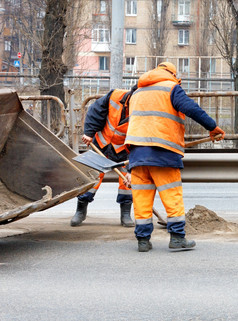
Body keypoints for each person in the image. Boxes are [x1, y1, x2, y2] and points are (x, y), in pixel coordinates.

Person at [125, 62, 225, 252]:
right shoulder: (171, 88)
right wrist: (212, 127)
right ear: (172, 74)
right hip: (162, 153)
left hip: (137, 155)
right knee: (172, 197)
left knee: (141, 200)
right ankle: (177, 238)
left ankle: (143, 241)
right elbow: (192, 109)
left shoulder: (136, 93)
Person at [70, 84, 138, 228]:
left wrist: (133, 168)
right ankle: (80, 210)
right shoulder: (115, 95)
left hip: (124, 150)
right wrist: (89, 133)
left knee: (127, 182)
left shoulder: (144, 111)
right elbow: (95, 111)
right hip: (102, 144)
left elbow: (140, 140)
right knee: (92, 176)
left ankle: (125, 214)